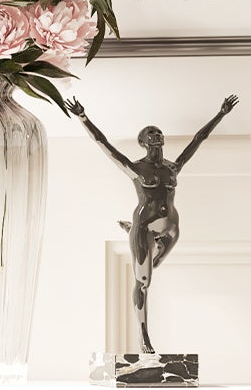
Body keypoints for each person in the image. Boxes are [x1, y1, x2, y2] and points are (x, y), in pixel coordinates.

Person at [69, 95, 240, 354]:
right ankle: (143, 336)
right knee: (145, 281)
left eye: (158, 132)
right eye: (150, 133)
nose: (156, 135)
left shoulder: (173, 168)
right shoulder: (136, 169)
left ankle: (147, 246)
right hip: (145, 225)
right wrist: (83, 117)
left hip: (170, 226)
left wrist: (221, 113)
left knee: (161, 254)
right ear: (143, 142)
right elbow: (103, 143)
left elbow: (198, 140)